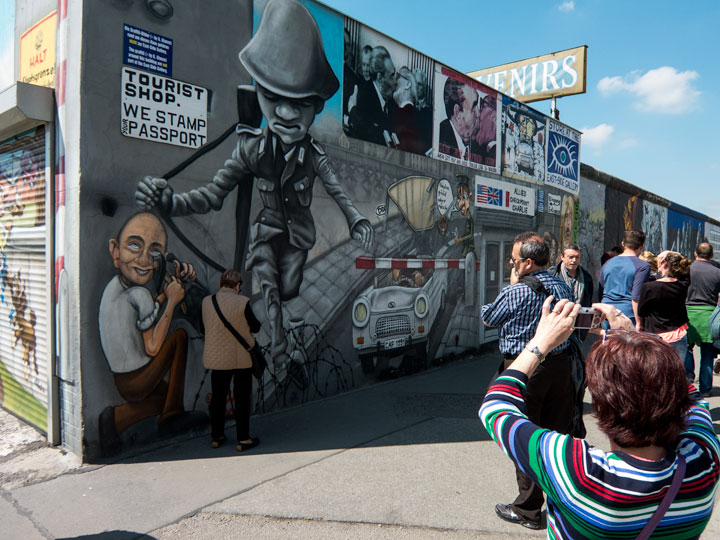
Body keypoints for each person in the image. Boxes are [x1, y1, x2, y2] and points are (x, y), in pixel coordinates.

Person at [135, 0, 373, 371]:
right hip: (268, 233)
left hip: (298, 242)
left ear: (316, 105)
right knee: (269, 285)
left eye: (302, 103)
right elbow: (213, 194)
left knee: (289, 286)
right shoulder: (251, 151)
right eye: (274, 97)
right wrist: (171, 202)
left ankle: (285, 333)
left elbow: (336, 189)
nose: (287, 114)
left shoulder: (312, 155)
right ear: (258, 92)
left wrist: (356, 219)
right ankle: (280, 351)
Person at [480, 298, 719, 538]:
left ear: (601, 407)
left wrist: (539, 344)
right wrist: (635, 344)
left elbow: (495, 407)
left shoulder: (578, 473)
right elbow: (689, 395)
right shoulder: (705, 462)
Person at [481, 232, 574, 530]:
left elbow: (489, 318)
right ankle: (561, 505)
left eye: (514, 259)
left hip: (526, 368)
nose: (512, 263)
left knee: (524, 436)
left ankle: (529, 510)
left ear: (528, 262)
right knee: (557, 436)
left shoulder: (517, 291)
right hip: (561, 368)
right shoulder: (563, 285)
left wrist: (511, 287)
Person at [98, 212, 196, 454]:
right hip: (137, 378)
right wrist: (172, 301)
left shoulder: (116, 287)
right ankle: (172, 417)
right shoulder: (139, 294)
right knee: (179, 338)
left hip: (121, 378)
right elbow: (152, 347)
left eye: (154, 252)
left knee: (162, 399)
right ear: (115, 250)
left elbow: (147, 311)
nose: (144, 259)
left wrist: (165, 293)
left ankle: (115, 420)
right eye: (134, 245)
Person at [201, 269, 261, 451]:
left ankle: (216, 437)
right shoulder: (242, 302)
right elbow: (256, 327)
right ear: (238, 286)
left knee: (218, 397)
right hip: (240, 358)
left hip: (216, 359)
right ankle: (243, 440)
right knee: (241, 398)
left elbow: (202, 326)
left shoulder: (207, 302)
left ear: (220, 284)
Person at [637, 251, 691, 361]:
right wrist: (671, 253)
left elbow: (641, 311)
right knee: (676, 373)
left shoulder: (649, 287)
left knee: (656, 373)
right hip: (678, 334)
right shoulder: (683, 284)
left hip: (655, 335)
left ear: (665, 264)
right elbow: (687, 270)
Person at [685, 242, 720, 397]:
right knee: (707, 353)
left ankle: (688, 381)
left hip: (687, 314)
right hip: (709, 315)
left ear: (695, 253)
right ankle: (705, 389)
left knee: (686, 348)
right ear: (711, 255)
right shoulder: (717, 271)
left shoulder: (686, 269)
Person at [600, 229, 651, 329]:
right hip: (627, 314)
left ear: (623, 244)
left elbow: (601, 289)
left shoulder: (607, 263)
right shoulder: (643, 266)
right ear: (642, 246)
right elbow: (636, 296)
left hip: (606, 312)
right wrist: (638, 322)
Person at [347, 45, 396, 145]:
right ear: (380, 78)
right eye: (391, 76)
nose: (395, 81)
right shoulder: (363, 98)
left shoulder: (391, 103)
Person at [438, 78, 479, 161]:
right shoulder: (440, 140)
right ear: (457, 113)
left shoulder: (475, 147)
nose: (478, 113)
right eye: (474, 106)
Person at [548, 243, 593, 307]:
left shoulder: (586, 278)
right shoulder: (552, 275)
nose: (574, 260)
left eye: (577, 257)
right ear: (562, 257)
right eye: (571, 257)